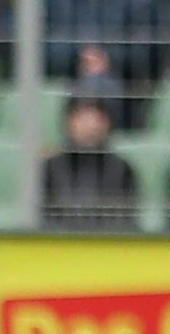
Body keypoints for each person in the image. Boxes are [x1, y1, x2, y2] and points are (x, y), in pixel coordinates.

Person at [41, 84, 138, 230]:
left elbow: (126, 222)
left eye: (97, 118)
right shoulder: (50, 168)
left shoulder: (123, 169)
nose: (91, 126)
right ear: (68, 122)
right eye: (82, 118)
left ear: (107, 123)